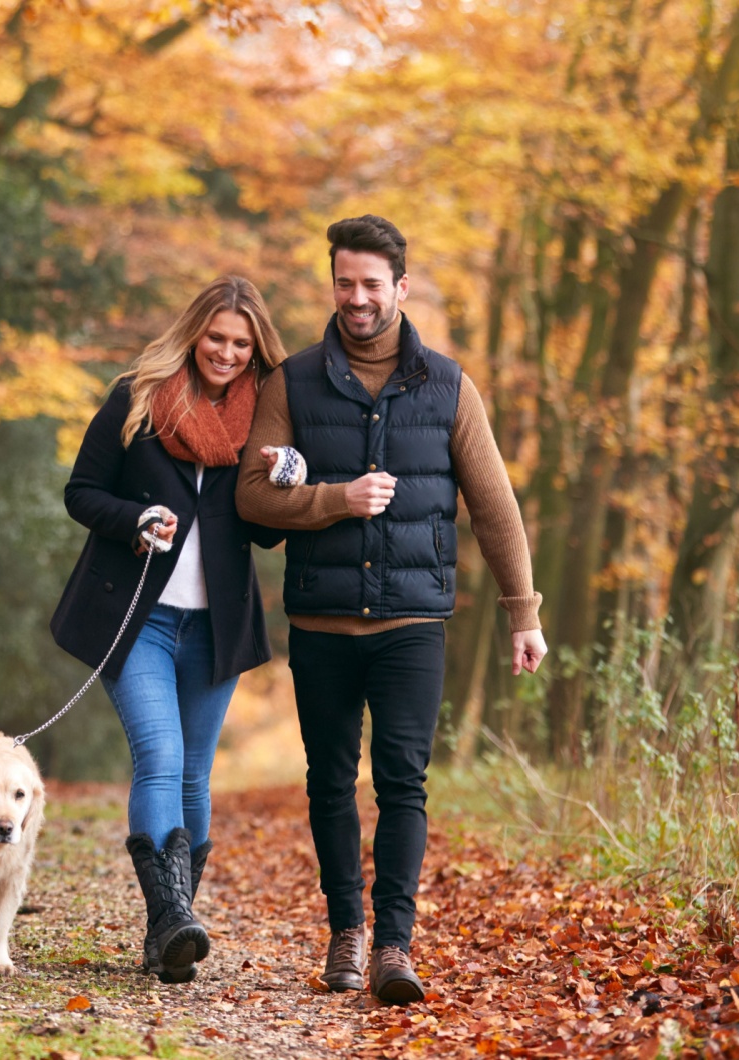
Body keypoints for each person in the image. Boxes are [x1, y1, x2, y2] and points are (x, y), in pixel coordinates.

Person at [235, 215, 549, 1004]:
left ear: (401, 288)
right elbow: (250, 497)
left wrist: (524, 612)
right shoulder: (293, 383)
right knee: (330, 784)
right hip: (321, 623)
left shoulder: (448, 386)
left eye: (373, 285)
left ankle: (395, 947)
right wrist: (335, 500)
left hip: (413, 624)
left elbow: (495, 507)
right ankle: (347, 934)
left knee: (403, 783)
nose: (358, 298)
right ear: (332, 284)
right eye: (345, 283)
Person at [51, 275, 292, 984]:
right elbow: (81, 492)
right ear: (194, 334)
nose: (225, 352)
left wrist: (282, 479)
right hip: (138, 620)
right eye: (216, 337)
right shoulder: (138, 397)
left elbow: (269, 537)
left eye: (240, 344)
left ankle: (172, 927)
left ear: (255, 352)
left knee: (194, 771)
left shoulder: (264, 421)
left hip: (215, 628)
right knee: (159, 754)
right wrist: (134, 520)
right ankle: (170, 921)